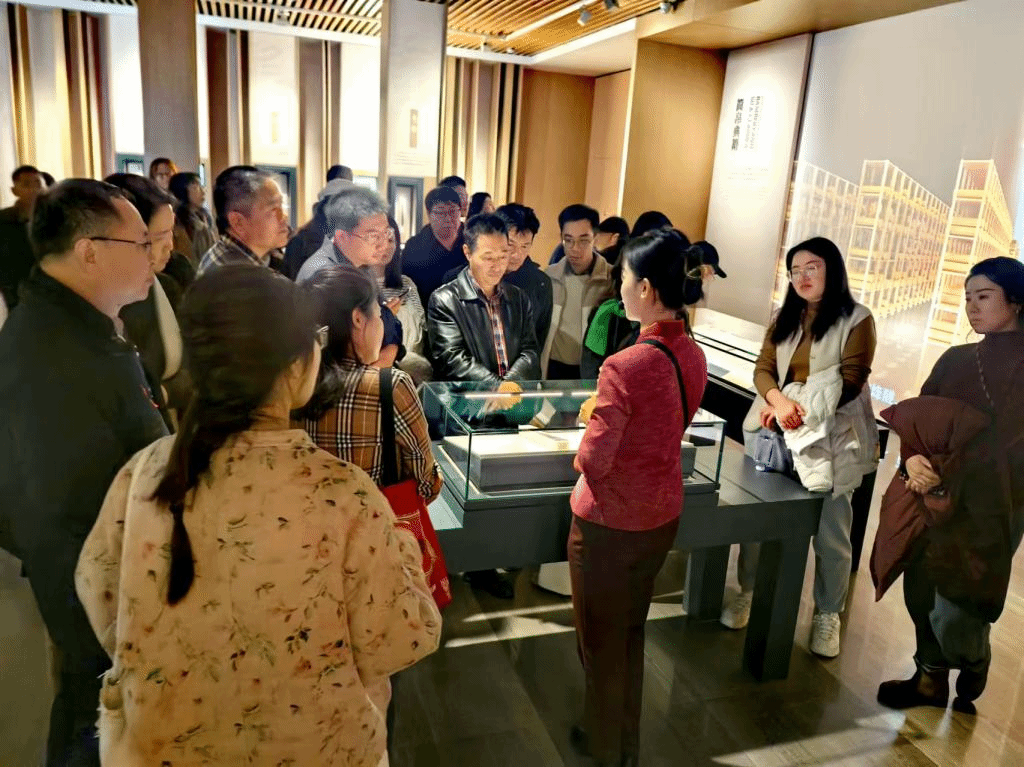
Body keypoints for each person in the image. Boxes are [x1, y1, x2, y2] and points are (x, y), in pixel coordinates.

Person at [75, 265, 441, 766]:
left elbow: (99, 591)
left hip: (164, 744)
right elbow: (399, 640)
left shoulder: (146, 471)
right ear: (293, 365)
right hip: (318, 747)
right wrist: (402, 550)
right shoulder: (344, 494)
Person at [0, 179, 168, 767]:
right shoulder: (52, 349)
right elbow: (66, 498)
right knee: (92, 710)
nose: (153, 258)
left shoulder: (78, 324)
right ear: (88, 251)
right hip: (91, 576)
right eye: (140, 243)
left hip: (100, 564)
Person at [569, 229, 708, 767]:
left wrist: (583, 449)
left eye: (623, 279)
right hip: (660, 514)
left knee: (599, 644)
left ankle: (607, 750)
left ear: (646, 288)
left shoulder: (625, 365)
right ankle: (621, 742)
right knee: (628, 636)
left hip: (609, 524)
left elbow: (595, 460)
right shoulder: (691, 352)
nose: (619, 288)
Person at [876, 257, 1024, 715]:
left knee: (961, 600)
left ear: (1016, 302)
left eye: (984, 296)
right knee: (921, 586)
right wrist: (912, 458)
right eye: (967, 298)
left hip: (994, 505)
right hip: (935, 498)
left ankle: (973, 657)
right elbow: (918, 419)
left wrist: (957, 469)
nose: (972, 307)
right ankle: (929, 680)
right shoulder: (956, 359)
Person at [723, 237, 879, 660]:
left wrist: (797, 408)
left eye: (812, 267)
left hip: (830, 438)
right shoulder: (784, 315)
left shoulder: (857, 318)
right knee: (759, 520)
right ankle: (749, 591)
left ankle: (828, 613)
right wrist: (778, 401)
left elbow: (852, 380)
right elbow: (763, 368)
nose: (802, 277)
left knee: (831, 532)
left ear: (832, 269)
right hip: (775, 430)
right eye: (795, 270)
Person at [300, 265, 442, 502]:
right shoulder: (390, 386)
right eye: (378, 315)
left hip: (307, 521)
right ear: (358, 318)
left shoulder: (293, 385)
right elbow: (425, 485)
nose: (382, 325)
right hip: (373, 520)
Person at [105, 174, 189, 426]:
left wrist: (161, 394)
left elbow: (196, 369)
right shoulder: (97, 301)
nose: (170, 245)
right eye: (160, 236)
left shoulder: (166, 286)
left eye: (171, 233)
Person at [296, 186, 404, 369]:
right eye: (373, 236)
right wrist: (387, 325)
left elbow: (391, 327)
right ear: (341, 237)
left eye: (387, 233)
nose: (383, 244)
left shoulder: (361, 265)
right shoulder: (324, 273)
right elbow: (345, 356)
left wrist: (388, 328)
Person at [427, 212, 541, 386]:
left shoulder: (518, 298)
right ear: (467, 252)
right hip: (469, 400)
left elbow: (530, 351)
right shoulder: (445, 300)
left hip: (513, 397)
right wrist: (497, 388)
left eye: (503, 256)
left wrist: (508, 388)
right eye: (488, 258)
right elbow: (452, 359)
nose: (497, 266)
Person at [543, 204, 614, 379]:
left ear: (595, 238)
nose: (575, 248)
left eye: (583, 240)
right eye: (568, 240)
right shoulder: (550, 276)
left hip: (592, 369)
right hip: (554, 367)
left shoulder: (610, 279)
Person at [197, 165, 289, 276]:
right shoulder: (230, 276)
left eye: (281, 205)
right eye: (273, 209)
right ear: (238, 223)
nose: (284, 216)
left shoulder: (258, 259)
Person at [375, 216, 431, 384]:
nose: (385, 246)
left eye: (391, 240)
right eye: (378, 239)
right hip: (378, 371)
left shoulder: (407, 283)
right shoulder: (357, 285)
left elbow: (422, 329)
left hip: (414, 373)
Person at [496, 203, 553, 350]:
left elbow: (537, 341)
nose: (517, 254)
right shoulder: (467, 276)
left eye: (525, 246)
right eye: (511, 245)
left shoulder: (541, 284)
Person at [402, 185, 466, 306]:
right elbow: (406, 286)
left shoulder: (473, 240)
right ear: (429, 214)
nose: (448, 218)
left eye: (453, 211)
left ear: (460, 211)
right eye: (441, 212)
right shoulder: (415, 247)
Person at [0, 164, 45, 308]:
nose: (34, 190)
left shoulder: (52, 218)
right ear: (14, 191)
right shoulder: (4, 220)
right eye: (26, 185)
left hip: (51, 291)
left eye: (38, 183)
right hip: (17, 293)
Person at [168, 171, 217, 269]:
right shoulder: (174, 221)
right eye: (195, 187)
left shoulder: (205, 217)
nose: (202, 191)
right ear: (182, 190)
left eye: (200, 186)